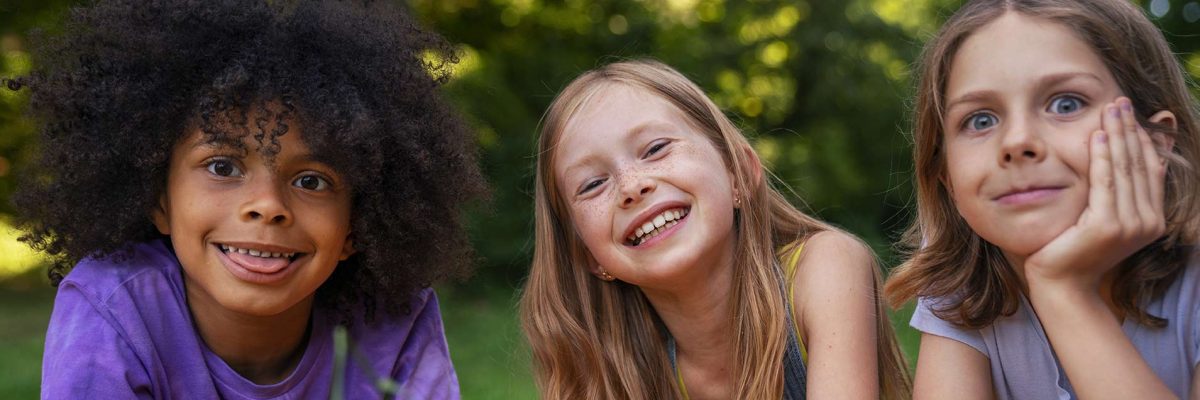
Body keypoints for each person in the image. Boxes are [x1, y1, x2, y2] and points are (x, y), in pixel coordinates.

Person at [11, 1, 485, 398]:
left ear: (357, 226)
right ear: (159, 200)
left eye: (313, 181)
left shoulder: (394, 317)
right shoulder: (115, 305)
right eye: (222, 167)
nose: (267, 205)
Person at [519, 59, 911, 399]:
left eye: (655, 149)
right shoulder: (619, 375)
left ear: (739, 171)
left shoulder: (825, 268)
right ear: (585, 253)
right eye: (592, 185)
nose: (631, 186)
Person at [884, 0, 1200, 398]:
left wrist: (1063, 291)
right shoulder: (962, 284)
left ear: (1154, 143)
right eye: (981, 120)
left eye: (1066, 104)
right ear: (946, 175)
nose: (1017, 142)